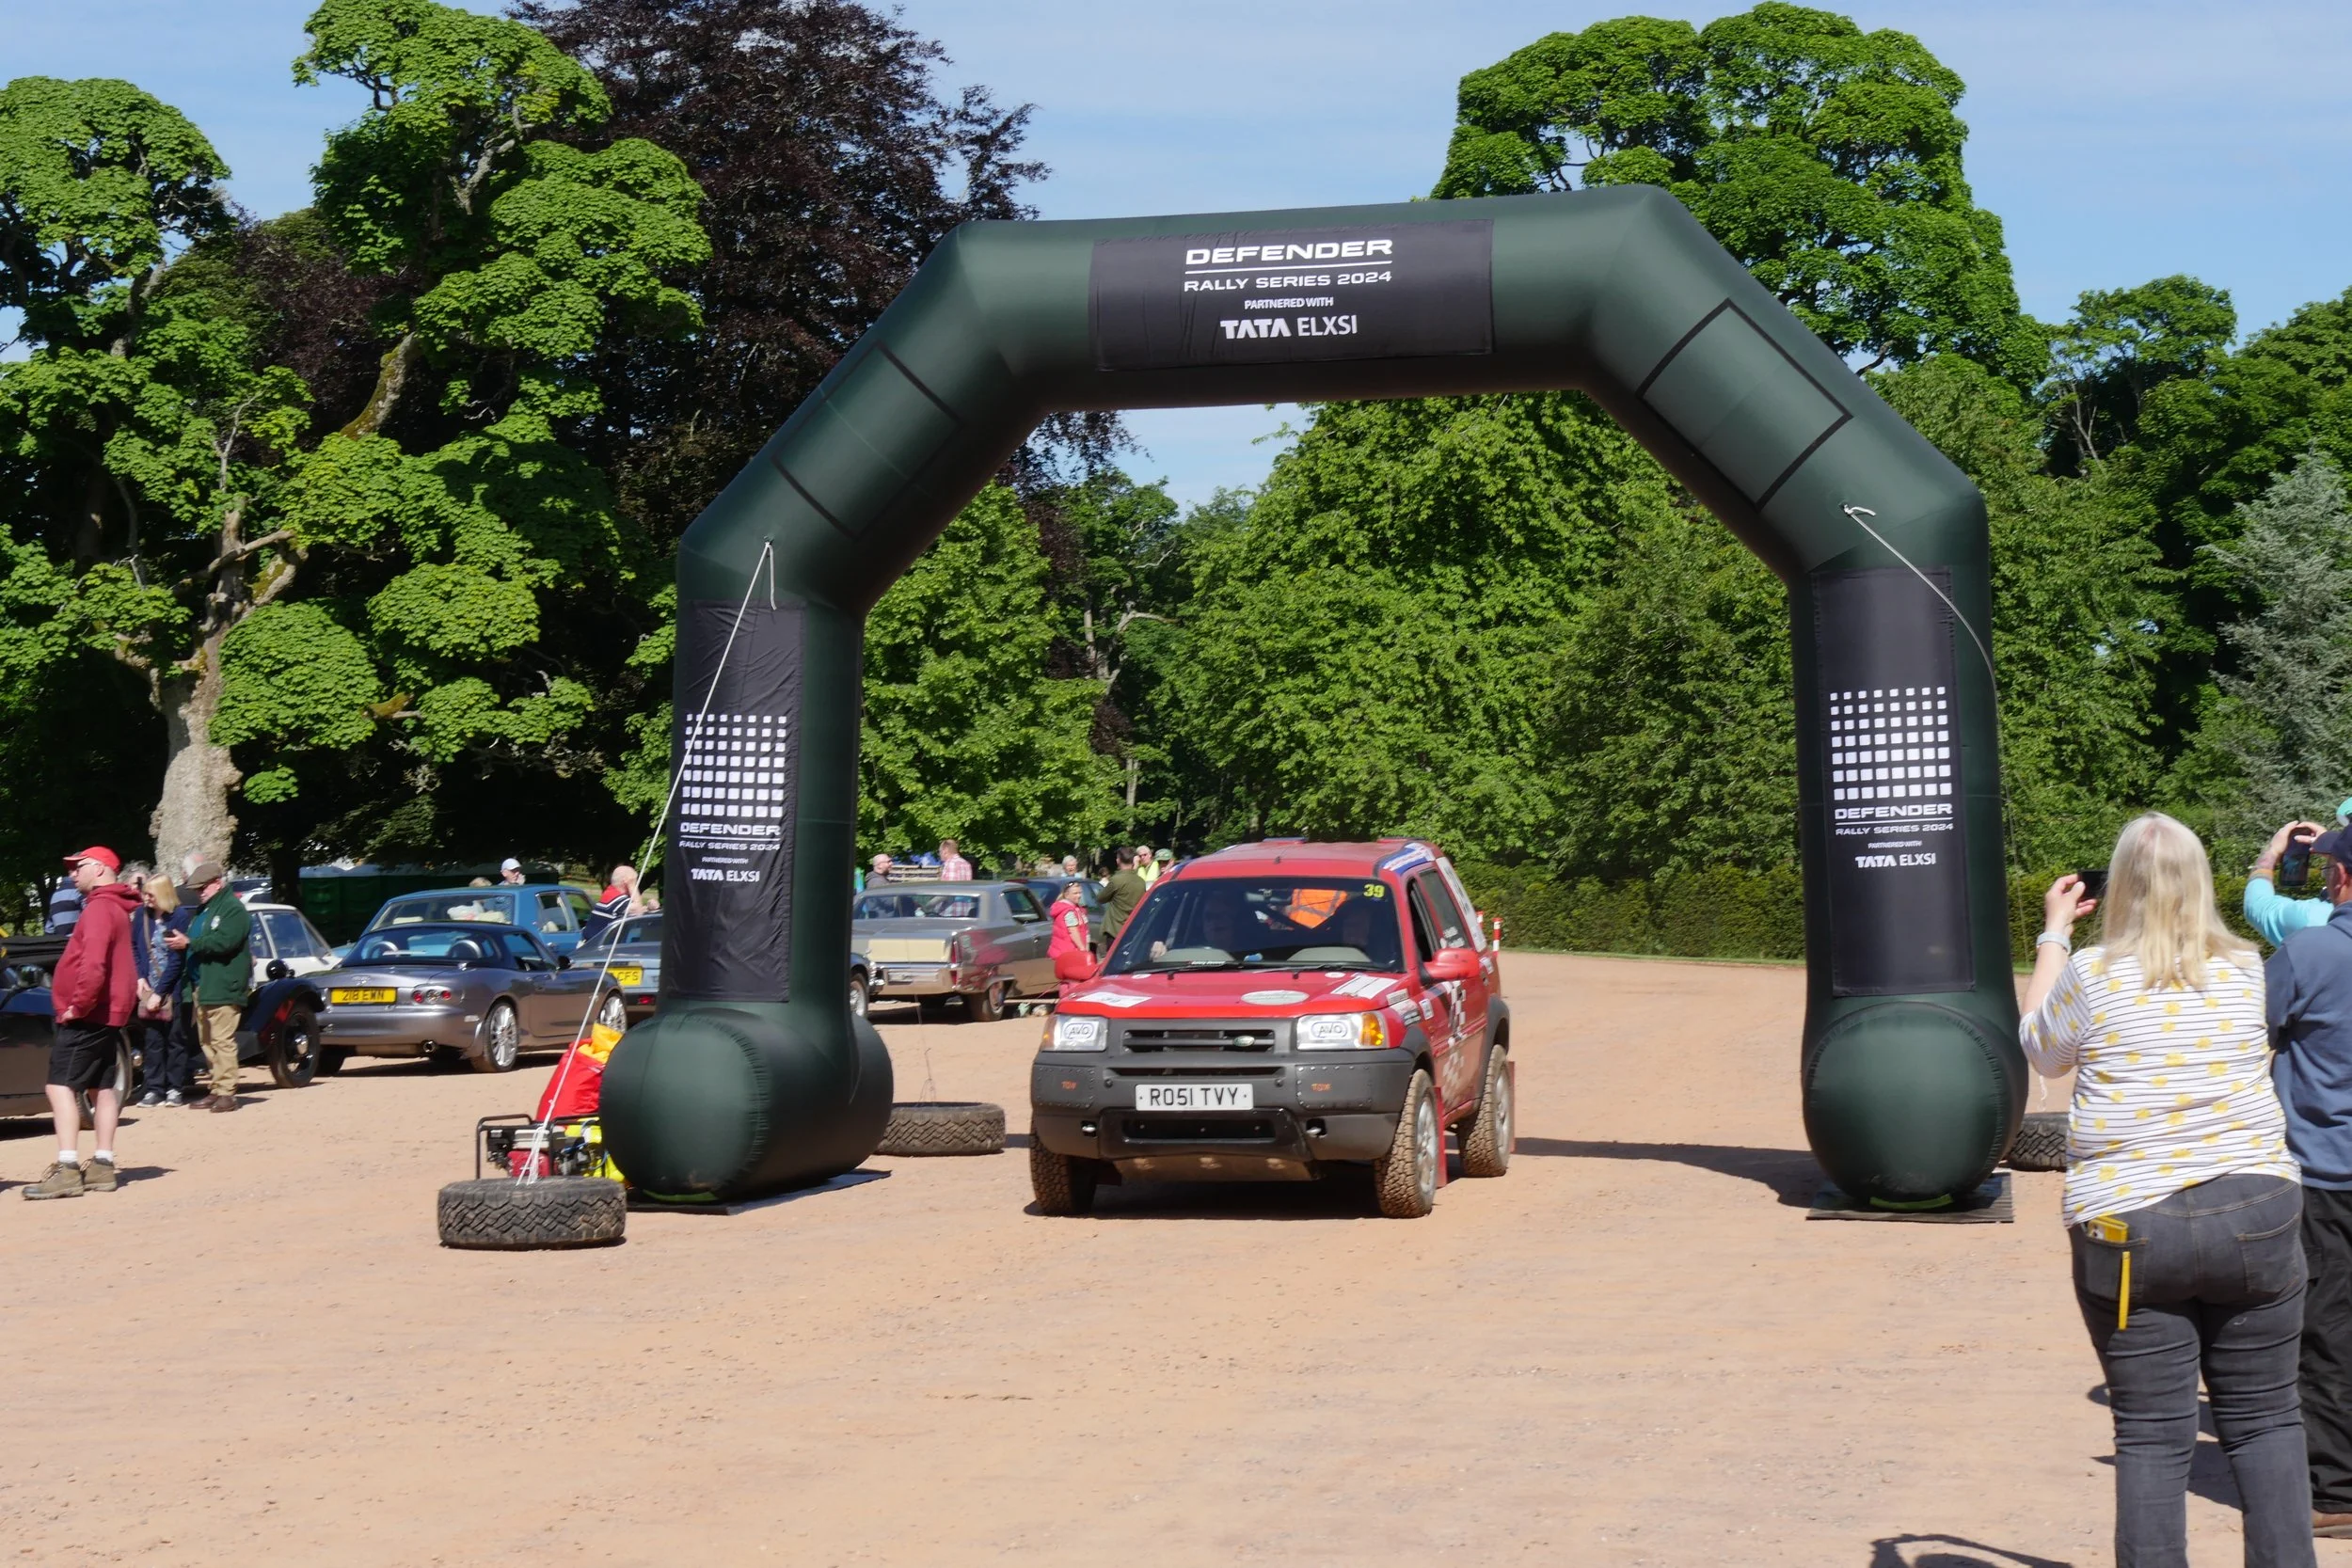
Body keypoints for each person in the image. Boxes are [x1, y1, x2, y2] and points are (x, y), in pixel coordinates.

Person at [2019, 813, 2312, 1567]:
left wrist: (2055, 934)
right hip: (2255, 1205)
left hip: (2130, 1219)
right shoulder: (2248, 967)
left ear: (2121, 885)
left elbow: (2042, 1051)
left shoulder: (2093, 973)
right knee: (2268, 1418)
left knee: (2152, 1432)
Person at [2265, 817, 2352, 1538]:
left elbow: (2249, 1034)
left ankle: (2334, 1490)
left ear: (2343, 878)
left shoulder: (2311, 950)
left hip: (2326, 1170)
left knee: (2325, 1330)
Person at [24, 847, 142, 1198]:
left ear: (101, 869)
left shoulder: (100, 909)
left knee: (59, 1087)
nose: (72, 874)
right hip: (107, 1014)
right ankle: (103, 1165)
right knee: (101, 1088)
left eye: (79, 867)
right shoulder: (116, 907)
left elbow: (93, 966)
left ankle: (68, 1169)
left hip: (89, 1014)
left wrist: (78, 1006)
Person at [166, 860, 251, 1113]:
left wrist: (190, 943)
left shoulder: (233, 909)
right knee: (207, 1041)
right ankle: (216, 1088)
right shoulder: (206, 908)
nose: (198, 893)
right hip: (203, 984)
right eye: (196, 889)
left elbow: (225, 942)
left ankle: (227, 1093)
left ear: (217, 883)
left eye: (202, 888)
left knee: (222, 1040)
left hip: (223, 983)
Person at [130, 875, 193, 1108]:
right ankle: (154, 1089)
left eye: (150, 894)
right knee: (153, 1039)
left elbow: (177, 960)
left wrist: (160, 992)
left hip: (172, 988)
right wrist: (140, 978)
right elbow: (134, 947)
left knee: (175, 1039)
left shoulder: (179, 916)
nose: (146, 898)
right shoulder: (141, 915)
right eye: (145, 893)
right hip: (148, 987)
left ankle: (175, 1088)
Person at [2248, 807, 2352, 946]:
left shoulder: (2312, 919)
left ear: (2340, 874)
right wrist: (2338, 851)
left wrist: (2272, 852)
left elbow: (2258, 905)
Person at [1048, 880, 1092, 996]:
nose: (1079, 895)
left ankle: (1065, 1000)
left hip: (1065, 951)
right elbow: (1073, 931)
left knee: (1067, 980)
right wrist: (1083, 949)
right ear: (1066, 894)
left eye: (1080, 892)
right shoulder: (1068, 911)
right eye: (1075, 893)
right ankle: (1071, 1001)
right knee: (1074, 980)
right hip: (1070, 951)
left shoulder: (1075, 909)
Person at [1101, 847, 1148, 943]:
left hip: (1115, 930)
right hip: (1133, 929)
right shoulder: (1141, 881)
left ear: (1118, 860)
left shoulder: (1116, 880)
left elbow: (1101, 898)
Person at [581, 864, 639, 942]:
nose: (636, 884)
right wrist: (632, 885)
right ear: (626, 881)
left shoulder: (609, 893)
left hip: (590, 943)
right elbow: (638, 910)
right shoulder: (618, 900)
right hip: (602, 947)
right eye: (635, 881)